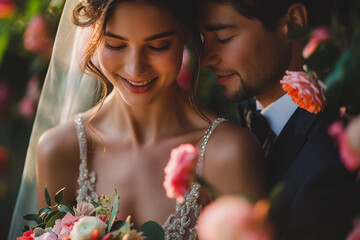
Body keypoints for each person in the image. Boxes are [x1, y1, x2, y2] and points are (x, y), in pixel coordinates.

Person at [8, 0, 266, 239]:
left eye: (157, 46)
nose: (135, 68)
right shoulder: (60, 150)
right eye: (115, 44)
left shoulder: (229, 153)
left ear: (186, 34)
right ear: (94, 38)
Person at [198, 0, 360, 239]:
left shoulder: (331, 164)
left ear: (292, 22)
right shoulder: (240, 109)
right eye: (202, 40)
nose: (206, 59)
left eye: (224, 38)